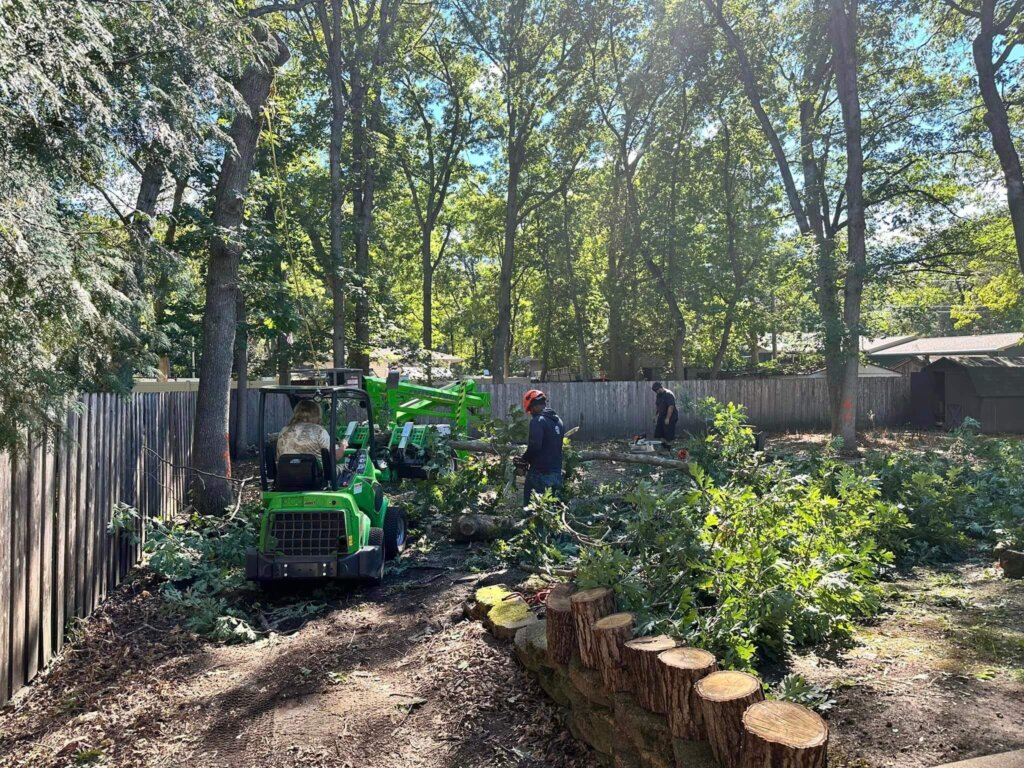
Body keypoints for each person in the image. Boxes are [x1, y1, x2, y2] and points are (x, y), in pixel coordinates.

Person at [519, 389, 564, 506]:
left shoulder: (538, 421)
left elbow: (535, 446)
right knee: (550, 510)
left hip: (540, 475)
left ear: (532, 407)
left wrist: (523, 460)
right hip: (556, 474)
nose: (531, 413)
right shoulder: (559, 421)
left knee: (531, 510)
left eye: (530, 410)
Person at [276, 399, 347, 462]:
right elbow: (334, 456)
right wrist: (343, 446)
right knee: (346, 467)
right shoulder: (319, 431)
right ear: (316, 414)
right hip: (313, 475)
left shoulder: (284, 430)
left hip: (284, 474)